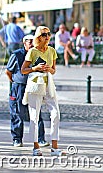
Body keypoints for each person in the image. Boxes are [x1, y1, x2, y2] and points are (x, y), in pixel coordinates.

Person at [21, 26, 64, 157]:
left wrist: (48, 69)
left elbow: (54, 70)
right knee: (34, 116)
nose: (47, 37)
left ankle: (55, 147)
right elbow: (23, 70)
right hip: (35, 84)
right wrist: (35, 68)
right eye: (44, 34)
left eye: (49, 34)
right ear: (39, 37)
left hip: (49, 83)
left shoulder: (52, 51)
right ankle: (36, 146)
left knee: (56, 114)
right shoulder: (33, 51)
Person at [5, 35, 49, 148]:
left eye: (34, 42)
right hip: (19, 87)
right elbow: (8, 72)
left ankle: (41, 139)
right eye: (30, 42)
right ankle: (17, 139)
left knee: (36, 113)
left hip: (34, 86)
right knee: (17, 113)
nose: (32, 44)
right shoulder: (17, 55)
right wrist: (15, 82)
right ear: (24, 43)